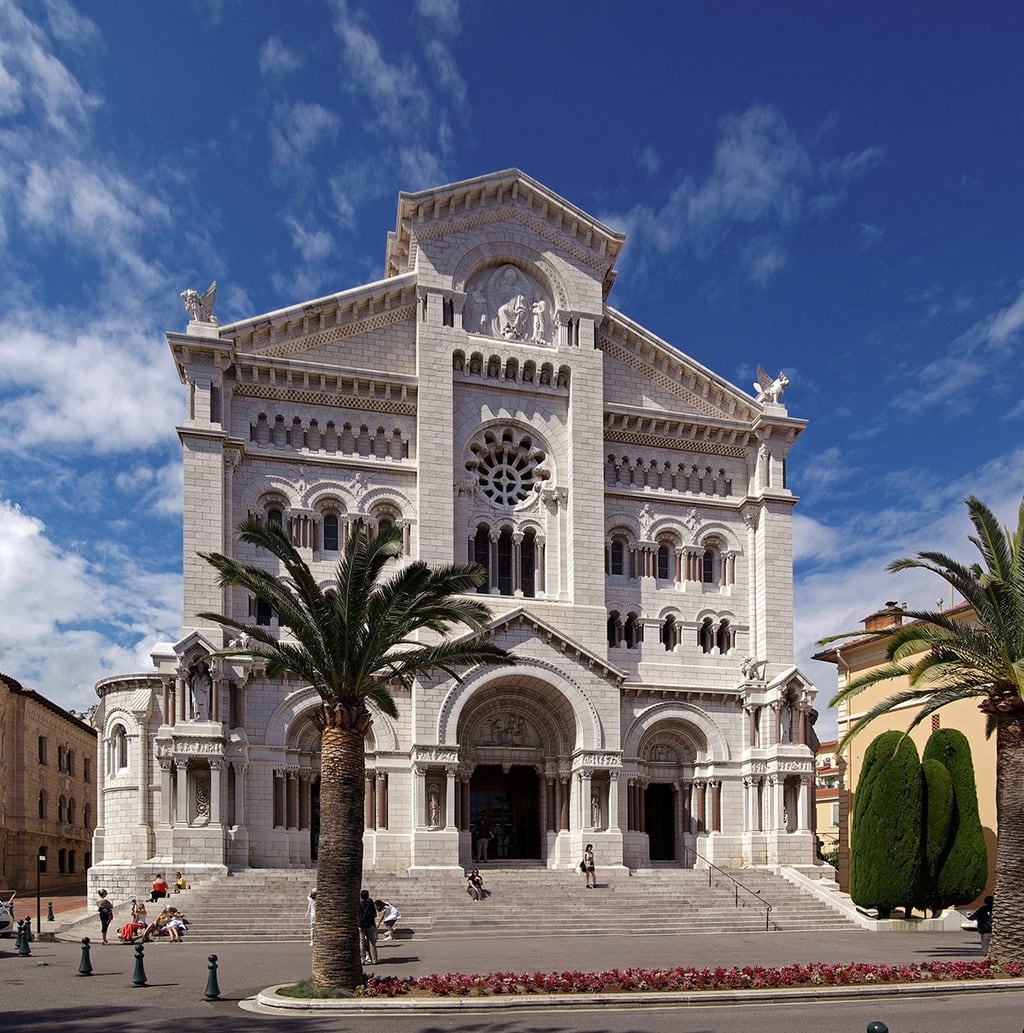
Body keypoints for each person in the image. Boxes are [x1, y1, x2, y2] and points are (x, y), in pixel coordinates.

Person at [358, 889, 378, 965]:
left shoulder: (359, 904)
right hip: (370, 924)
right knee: (372, 942)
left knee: (362, 942)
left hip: (361, 925)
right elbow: (374, 914)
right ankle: (374, 959)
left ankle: (362, 959)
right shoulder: (370, 903)